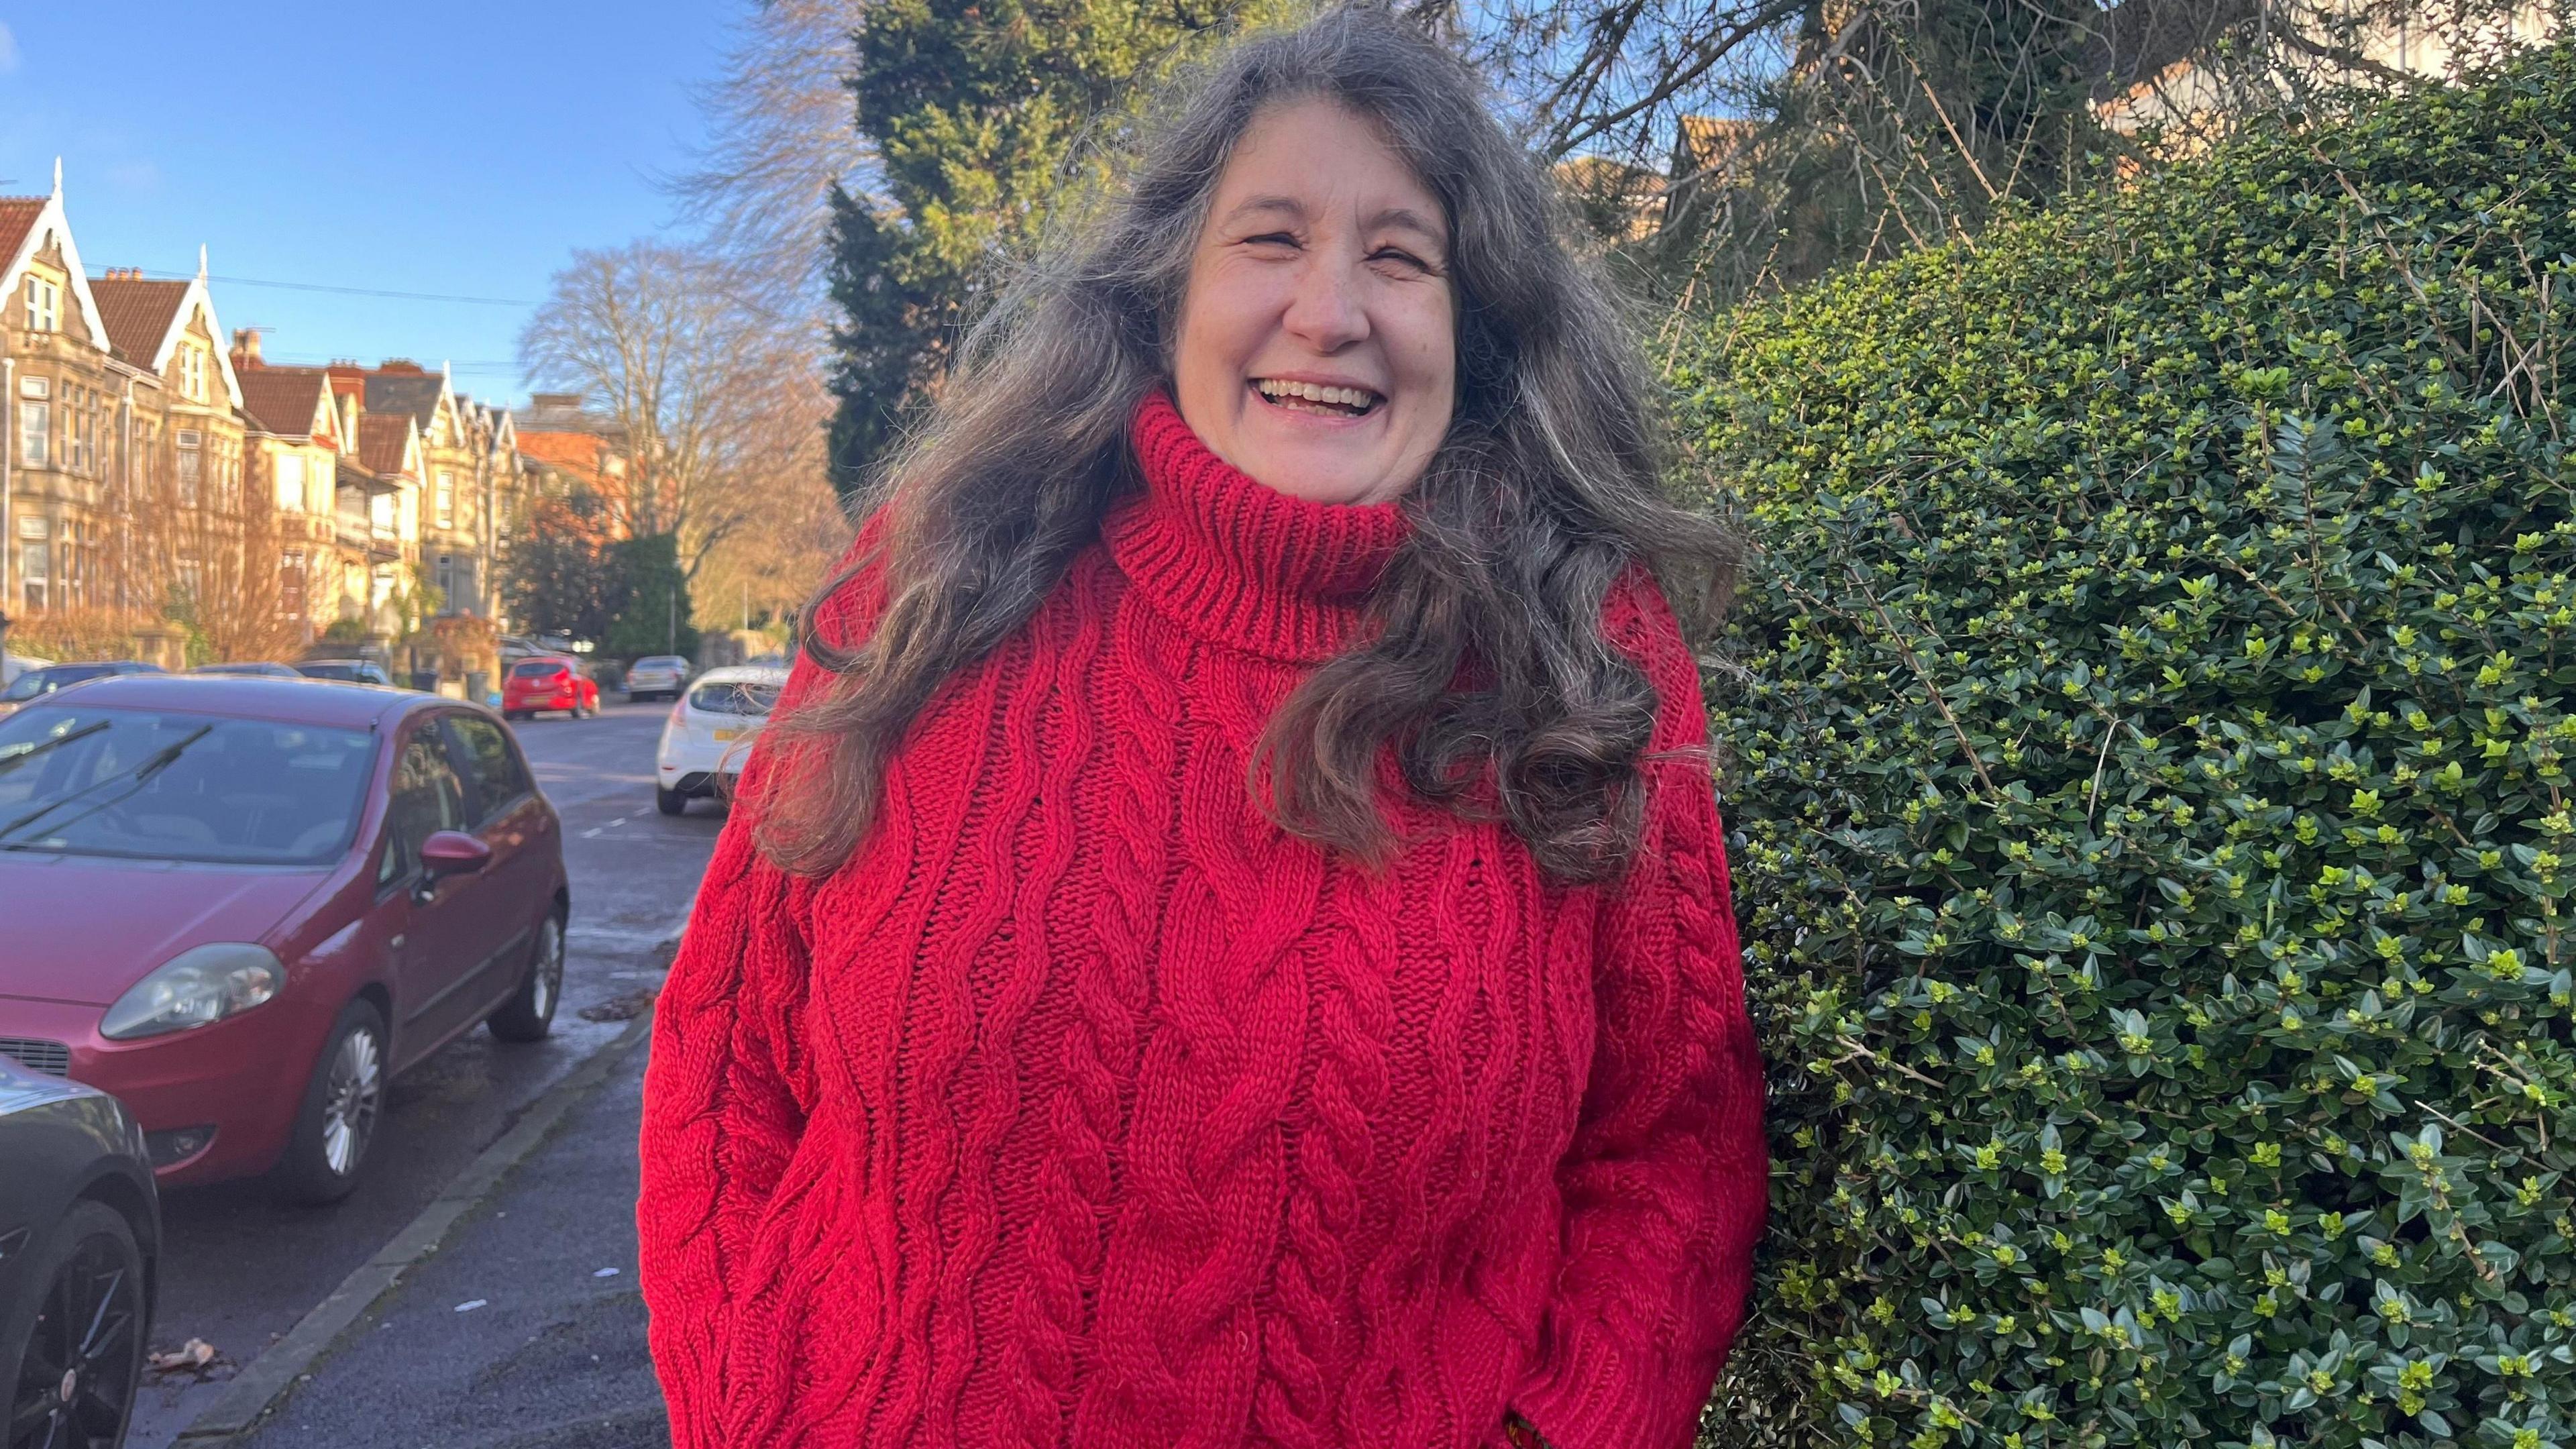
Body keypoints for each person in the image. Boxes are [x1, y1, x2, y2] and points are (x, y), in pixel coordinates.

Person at [637, 9, 1766, 1447]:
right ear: (1165, 291)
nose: (1330, 311)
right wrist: (744, 1415)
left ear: (1473, 332)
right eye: (1271, 239)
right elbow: (726, 1067)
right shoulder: (930, 593)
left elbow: (1671, 1155)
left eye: (1401, 258)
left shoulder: (1583, 663)